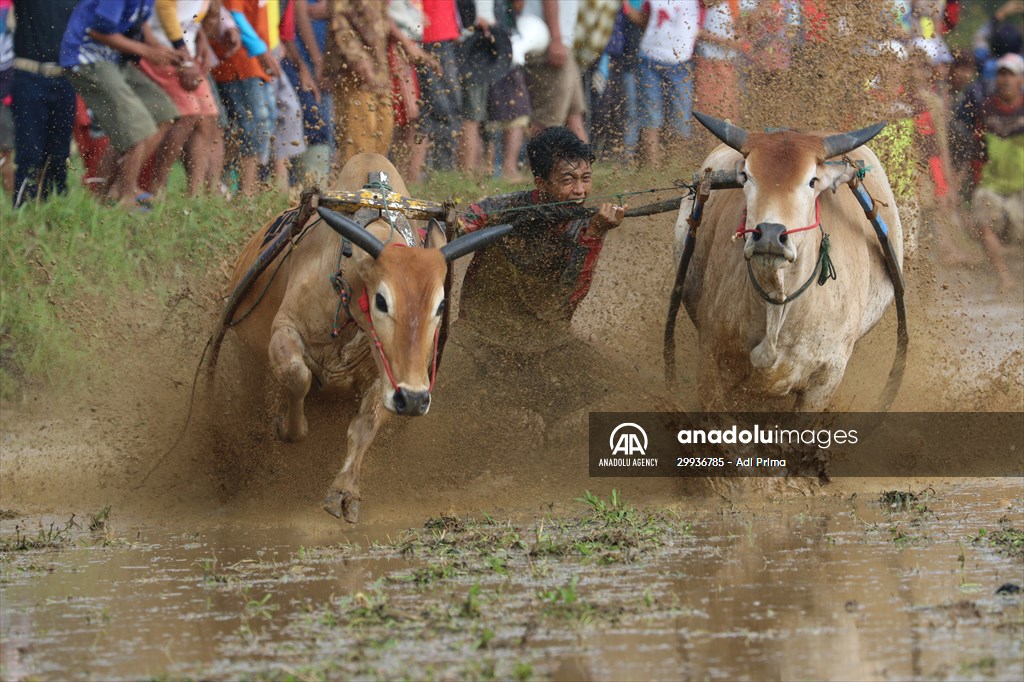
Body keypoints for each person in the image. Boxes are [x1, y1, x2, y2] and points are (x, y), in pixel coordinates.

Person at [454, 126, 626, 348]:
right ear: (541, 184)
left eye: (585, 178)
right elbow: (446, 234)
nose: (580, 190)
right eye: (568, 180)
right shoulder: (498, 208)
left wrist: (593, 236)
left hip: (546, 344)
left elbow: (565, 304)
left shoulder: (588, 226)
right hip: (478, 338)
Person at [59, 0, 182, 208]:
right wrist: (146, 51)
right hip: (86, 59)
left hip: (114, 60)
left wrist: (160, 49)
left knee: (163, 112)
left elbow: (139, 21)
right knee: (138, 127)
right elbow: (97, 31)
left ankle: (108, 191)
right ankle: (127, 196)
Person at [10, 0, 78, 207]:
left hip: (65, 78)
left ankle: (55, 209)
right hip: (29, 76)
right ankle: (25, 209)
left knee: (59, 154)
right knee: (30, 153)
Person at [970, 52, 1023, 293]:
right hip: (991, 183)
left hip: (1020, 185)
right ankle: (1004, 277)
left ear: (1020, 79)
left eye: (1010, 74)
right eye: (1001, 74)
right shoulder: (986, 108)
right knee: (983, 218)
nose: (1005, 79)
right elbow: (976, 151)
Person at [632, 0, 701, 169]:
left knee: (681, 117)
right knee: (651, 115)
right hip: (650, 58)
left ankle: (677, 166)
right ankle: (653, 166)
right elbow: (645, 19)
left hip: (681, 62)